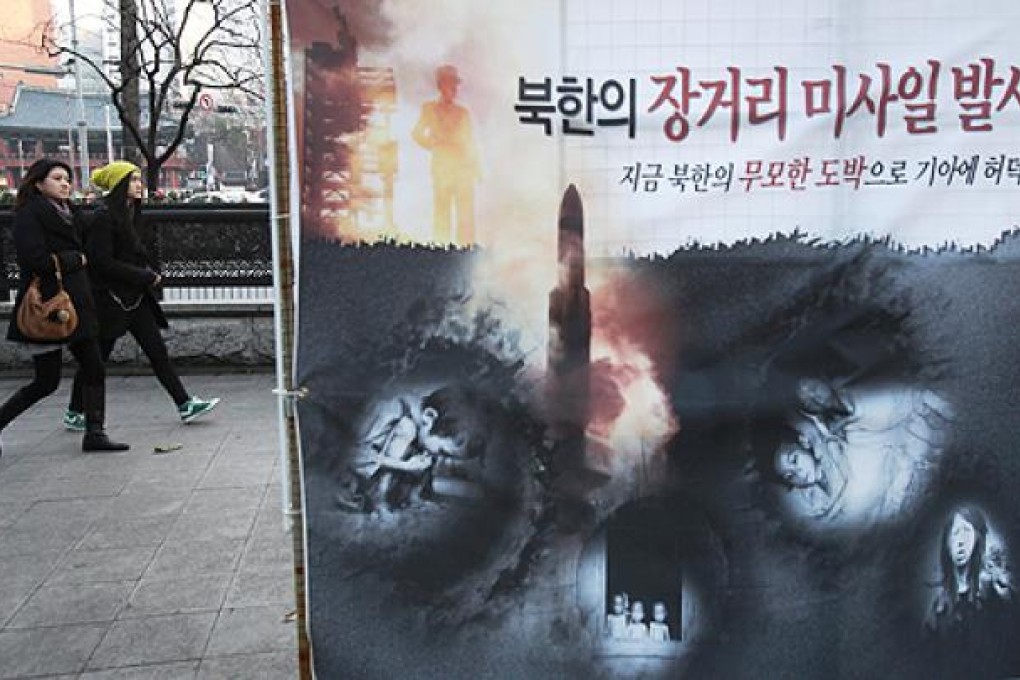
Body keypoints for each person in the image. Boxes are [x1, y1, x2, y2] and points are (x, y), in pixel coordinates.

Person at [63, 161, 219, 430]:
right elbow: (101, 262)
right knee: (96, 358)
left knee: (157, 351)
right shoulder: (103, 217)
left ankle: (184, 403)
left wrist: (144, 274)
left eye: (139, 179)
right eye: (133, 180)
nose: (139, 185)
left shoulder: (133, 214)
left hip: (133, 298)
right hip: (110, 299)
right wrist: (143, 276)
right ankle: (75, 410)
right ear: (119, 185)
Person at [0, 159, 129, 455]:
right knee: (46, 382)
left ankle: (95, 433)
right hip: (48, 306)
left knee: (94, 367)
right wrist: (73, 260)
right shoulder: (29, 214)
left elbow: (92, 227)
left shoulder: (69, 212)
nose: (65, 184)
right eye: (57, 178)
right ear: (38, 183)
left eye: (67, 179)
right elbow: (33, 258)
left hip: (77, 305)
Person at [412, 64, 480, 245]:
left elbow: (470, 142)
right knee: (442, 213)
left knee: (465, 214)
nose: (455, 89)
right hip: (442, 167)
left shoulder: (463, 113)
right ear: (441, 85)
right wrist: (434, 144)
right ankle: (442, 249)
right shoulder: (429, 109)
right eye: (451, 84)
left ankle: (465, 250)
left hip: (463, 168)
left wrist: (476, 168)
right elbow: (417, 134)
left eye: (456, 84)